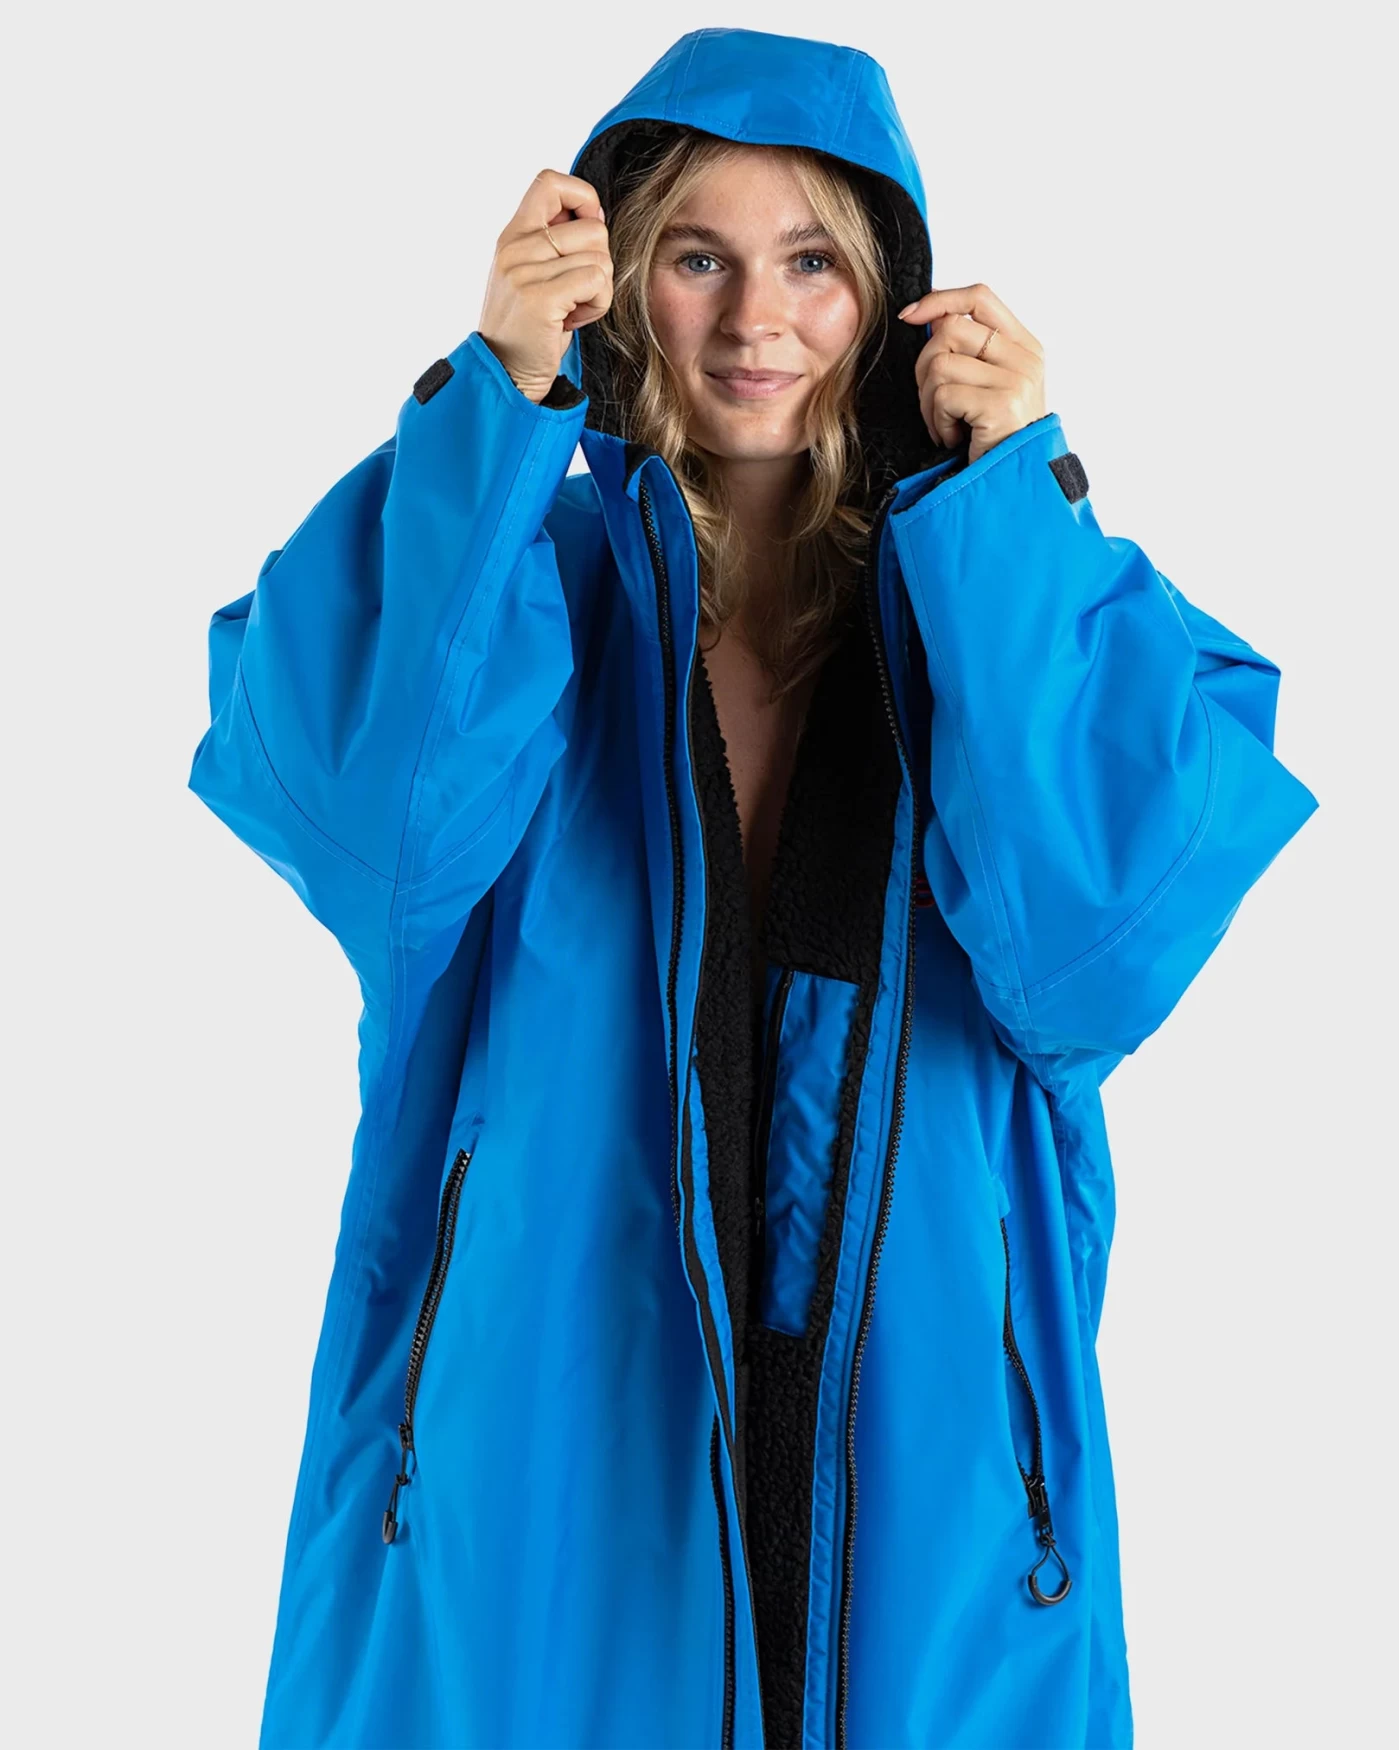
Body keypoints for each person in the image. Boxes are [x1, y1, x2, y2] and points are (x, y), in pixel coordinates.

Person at [188, 27, 1318, 1750]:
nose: (754, 321)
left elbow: (1094, 947)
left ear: (890, 298)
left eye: (811, 263)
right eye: (698, 259)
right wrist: (493, 402)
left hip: (930, 1483)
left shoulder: (986, 608)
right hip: (544, 1462)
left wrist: (1016, 501)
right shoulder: (522, 586)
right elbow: (375, 823)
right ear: (618, 280)